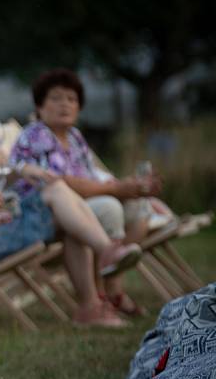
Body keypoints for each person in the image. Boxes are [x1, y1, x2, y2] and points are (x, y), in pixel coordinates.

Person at [0, 93, 141, 327]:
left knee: (62, 203)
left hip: (3, 221)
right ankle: (106, 254)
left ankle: (91, 306)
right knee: (57, 193)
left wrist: (23, 170)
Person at [10, 68, 161, 316]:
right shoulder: (37, 135)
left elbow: (93, 177)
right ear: (39, 106)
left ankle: (112, 286)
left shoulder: (75, 136)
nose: (65, 105)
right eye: (56, 98)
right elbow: (61, 183)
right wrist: (117, 189)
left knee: (139, 206)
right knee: (108, 207)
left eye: (72, 99)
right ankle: (98, 297)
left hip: (80, 205)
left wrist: (132, 189)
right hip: (43, 212)